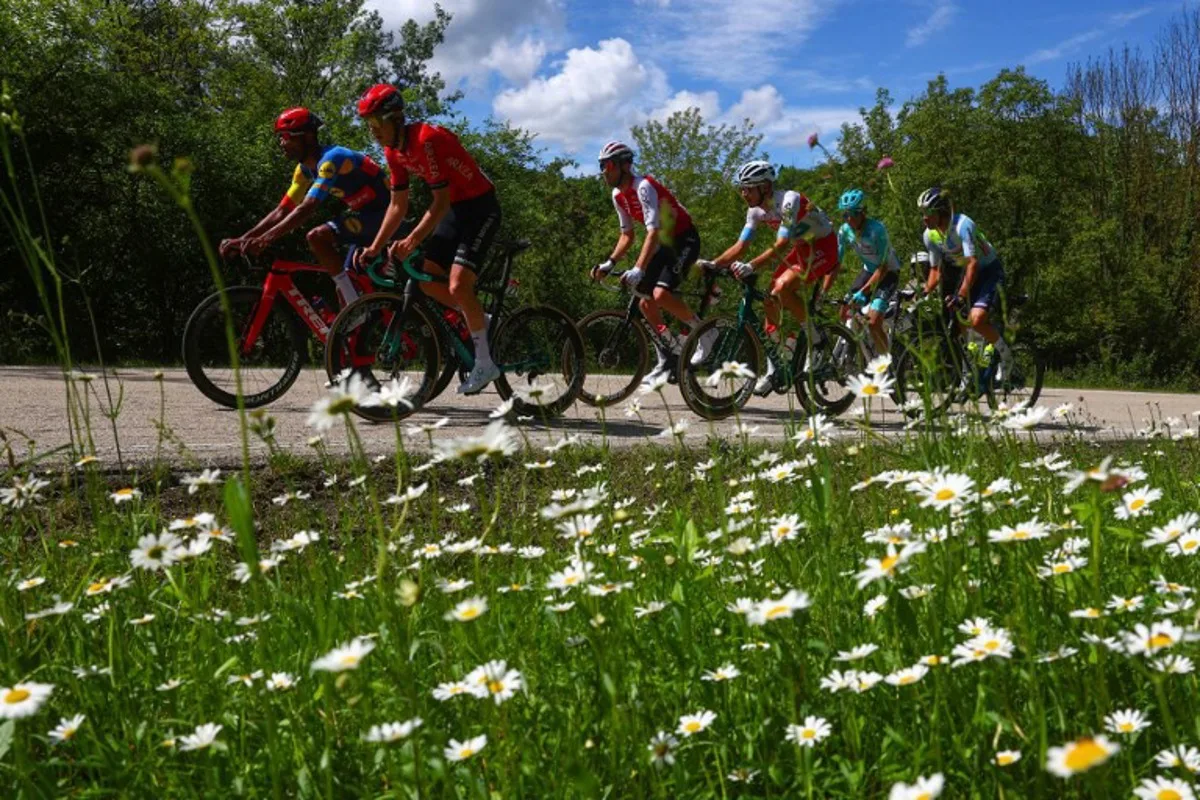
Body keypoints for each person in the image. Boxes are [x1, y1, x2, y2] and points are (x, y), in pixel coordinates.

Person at [353, 83, 503, 395]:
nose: (374, 132)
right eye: (369, 126)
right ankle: (480, 317)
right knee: (425, 280)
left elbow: (441, 201)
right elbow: (398, 204)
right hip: (456, 210)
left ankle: (486, 362)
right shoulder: (393, 151)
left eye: (377, 124)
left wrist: (411, 239)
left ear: (395, 118)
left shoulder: (427, 140)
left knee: (459, 285)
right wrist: (375, 247)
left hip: (480, 207)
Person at [219, 108, 388, 310]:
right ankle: (360, 318)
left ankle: (355, 309)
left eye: (286, 137)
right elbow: (282, 211)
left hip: (387, 217)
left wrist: (266, 239)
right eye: (280, 138)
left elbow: (308, 207)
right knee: (345, 288)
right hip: (366, 218)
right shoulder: (304, 171)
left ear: (307, 137)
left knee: (317, 237)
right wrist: (244, 239)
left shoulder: (332, 159)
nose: (281, 143)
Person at [706, 160, 840, 394]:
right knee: (769, 298)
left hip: (824, 246)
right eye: (742, 188)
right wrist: (713, 264)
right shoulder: (755, 212)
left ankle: (815, 338)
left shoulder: (790, 200)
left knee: (782, 288)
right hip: (801, 250)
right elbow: (741, 245)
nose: (743, 193)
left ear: (766, 186)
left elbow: (782, 242)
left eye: (749, 188)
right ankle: (776, 364)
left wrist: (751, 265)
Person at [590, 141, 715, 385]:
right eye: (601, 165)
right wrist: (609, 263)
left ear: (623, 166)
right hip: (663, 243)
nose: (603, 170)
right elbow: (627, 235)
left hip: (684, 239)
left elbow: (653, 231)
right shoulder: (618, 195)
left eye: (607, 165)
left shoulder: (643, 186)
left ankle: (705, 332)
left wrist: (638, 268)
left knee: (659, 294)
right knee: (644, 300)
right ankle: (668, 355)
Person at [917, 186, 1014, 380]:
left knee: (976, 319)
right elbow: (936, 271)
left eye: (928, 212)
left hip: (988, 271)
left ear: (942, 211)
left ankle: (1006, 356)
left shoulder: (963, 225)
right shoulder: (930, 235)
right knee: (956, 326)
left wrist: (960, 296)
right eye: (922, 213)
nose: (924, 218)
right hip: (965, 273)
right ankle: (967, 374)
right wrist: (922, 293)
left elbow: (973, 263)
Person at [835, 188, 900, 355]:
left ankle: (887, 364)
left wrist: (864, 291)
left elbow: (883, 268)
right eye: (844, 215)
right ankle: (859, 352)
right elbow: (836, 260)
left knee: (873, 322)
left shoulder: (877, 230)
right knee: (843, 310)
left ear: (862, 212)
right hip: (868, 271)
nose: (848, 219)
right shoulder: (844, 230)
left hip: (888, 273)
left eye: (852, 214)